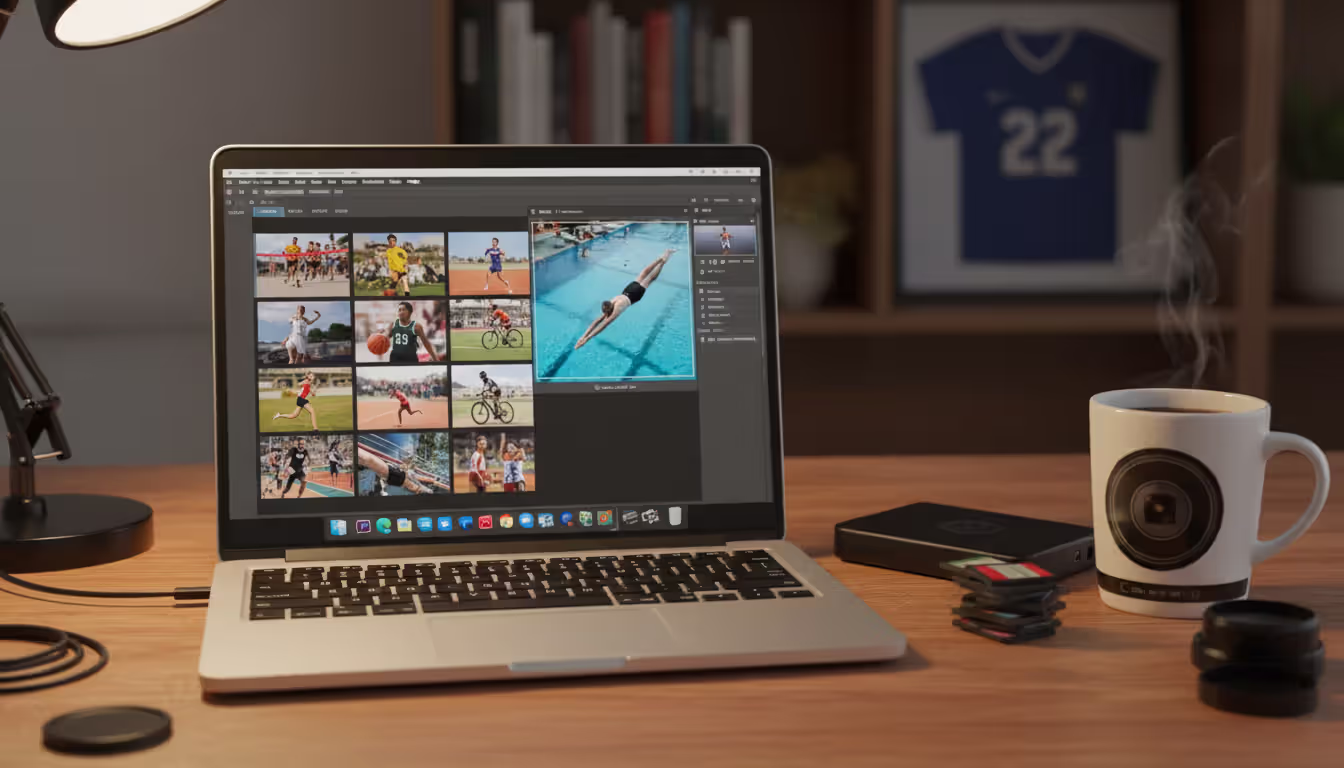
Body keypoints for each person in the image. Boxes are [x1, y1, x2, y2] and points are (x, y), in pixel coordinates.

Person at [574, 248, 675, 349]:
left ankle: (662, 262)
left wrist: (587, 338)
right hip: (629, 292)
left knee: (649, 278)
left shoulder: (614, 311)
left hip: (631, 293)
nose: (604, 315)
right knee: (646, 275)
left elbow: (601, 325)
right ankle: (660, 260)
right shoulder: (613, 305)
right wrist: (584, 337)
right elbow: (597, 323)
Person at [356, 447, 435, 494]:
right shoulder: (405, 465)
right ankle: (428, 487)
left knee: (416, 480)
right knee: (413, 483)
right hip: (396, 475)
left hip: (397, 474)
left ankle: (430, 483)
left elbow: (408, 468)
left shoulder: (408, 465)